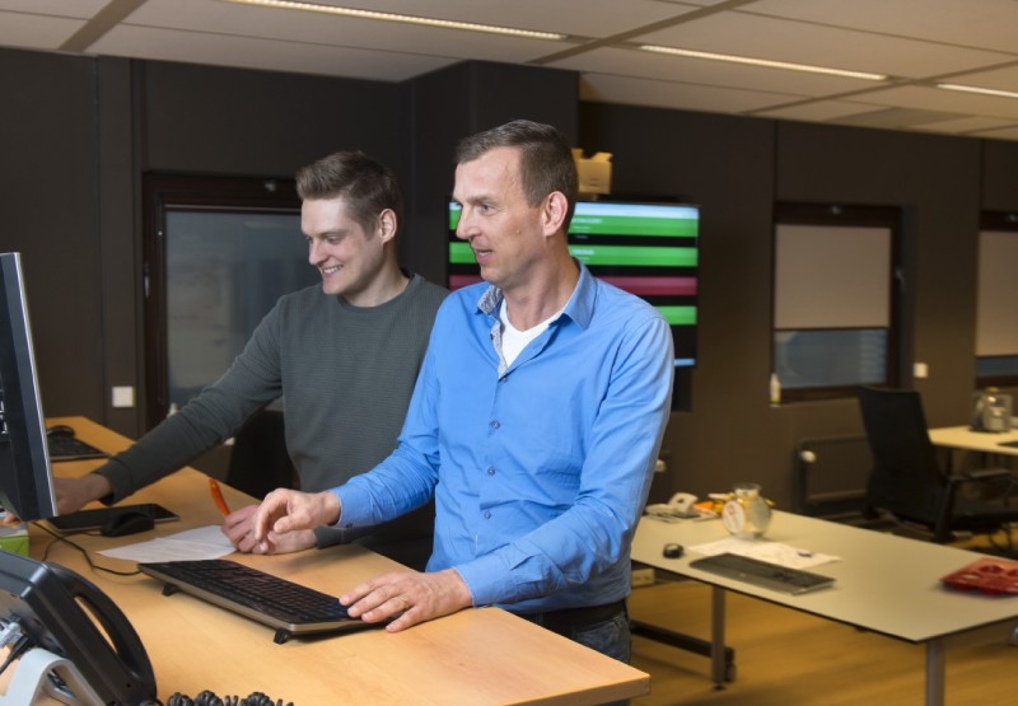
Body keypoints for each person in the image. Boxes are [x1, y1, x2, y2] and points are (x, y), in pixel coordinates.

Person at [251, 119, 674, 664]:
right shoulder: (457, 317)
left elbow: (603, 521)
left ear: (550, 213)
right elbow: (421, 459)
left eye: (484, 207)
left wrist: (453, 586)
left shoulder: (631, 334)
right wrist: (327, 505)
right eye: (461, 207)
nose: (463, 228)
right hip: (450, 618)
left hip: (565, 633)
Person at [54, 150, 448, 565]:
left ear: (384, 226)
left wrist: (320, 530)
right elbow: (210, 414)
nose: (315, 256)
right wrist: (96, 484)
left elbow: (435, 467)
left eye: (332, 238)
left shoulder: (447, 320)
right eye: (309, 240)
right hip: (314, 554)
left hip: (406, 565)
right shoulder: (293, 316)